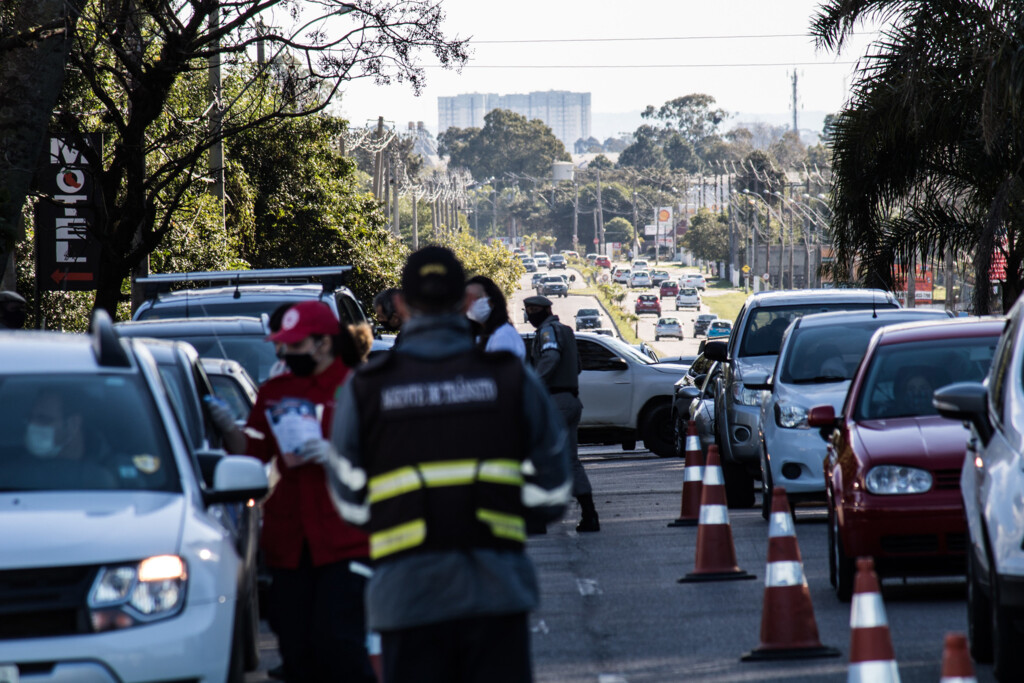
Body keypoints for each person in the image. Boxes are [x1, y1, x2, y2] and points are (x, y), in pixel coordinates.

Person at [323, 246, 571, 683]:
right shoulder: (510, 378)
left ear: (400, 304)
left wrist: (399, 527)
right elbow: (553, 491)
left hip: (406, 600)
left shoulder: (366, 387)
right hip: (497, 595)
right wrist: (500, 521)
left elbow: (346, 500)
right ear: (465, 302)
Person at [213, 300, 375, 683]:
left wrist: (336, 456)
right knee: (295, 647)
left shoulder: (359, 388)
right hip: (290, 542)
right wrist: (228, 428)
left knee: (341, 644)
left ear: (324, 343)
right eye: (283, 344)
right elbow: (253, 453)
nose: (286, 352)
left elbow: (384, 456)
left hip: (345, 538)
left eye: (296, 344)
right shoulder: (275, 391)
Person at [523, 294, 599, 533]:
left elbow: (551, 356)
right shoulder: (566, 331)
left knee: (536, 458)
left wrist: (534, 383)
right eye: (528, 311)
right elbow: (577, 366)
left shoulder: (548, 332)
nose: (530, 315)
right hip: (570, 400)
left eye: (533, 310)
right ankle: (590, 515)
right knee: (571, 460)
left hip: (554, 402)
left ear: (546, 311)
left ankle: (538, 519)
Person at [464, 274, 526, 360]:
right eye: (469, 299)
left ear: (491, 301)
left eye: (477, 298)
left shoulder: (503, 336)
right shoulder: (482, 335)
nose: (472, 303)